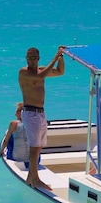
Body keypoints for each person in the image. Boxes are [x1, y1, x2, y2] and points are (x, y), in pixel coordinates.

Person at [18, 46, 66, 188]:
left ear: (38, 58)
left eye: (34, 57)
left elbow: (60, 72)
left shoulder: (42, 70)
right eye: (29, 58)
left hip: (40, 113)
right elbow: (40, 76)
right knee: (34, 147)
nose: (31, 60)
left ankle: (30, 177)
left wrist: (61, 57)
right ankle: (36, 179)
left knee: (38, 147)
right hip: (30, 113)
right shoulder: (23, 72)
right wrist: (55, 57)